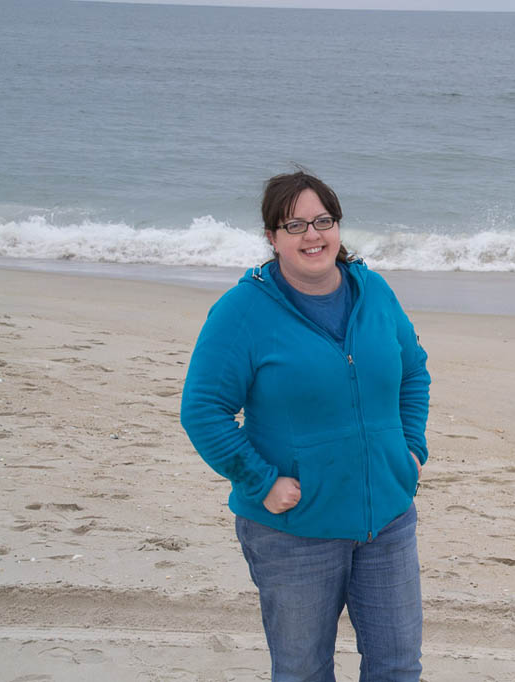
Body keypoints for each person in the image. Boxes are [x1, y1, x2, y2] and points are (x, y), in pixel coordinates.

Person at [180, 170, 430, 682]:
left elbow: (414, 371)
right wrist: (262, 482)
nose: (312, 236)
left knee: (398, 669)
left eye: (323, 220)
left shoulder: (374, 291)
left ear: (338, 227)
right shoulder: (242, 311)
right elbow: (203, 409)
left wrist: (410, 450)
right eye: (294, 225)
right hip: (294, 531)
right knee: (302, 672)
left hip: (387, 519)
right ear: (272, 238)